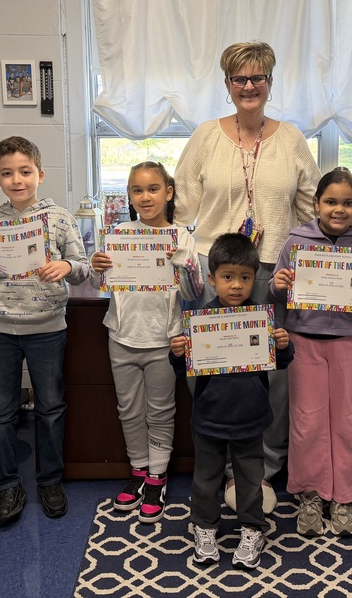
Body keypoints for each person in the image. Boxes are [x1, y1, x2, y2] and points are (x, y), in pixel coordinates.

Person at [174, 40, 320, 512]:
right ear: (227, 85)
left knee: (269, 377)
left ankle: (258, 475)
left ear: (270, 83)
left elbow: (310, 209)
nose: (249, 86)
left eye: (258, 77)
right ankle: (215, 469)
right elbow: (180, 208)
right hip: (214, 272)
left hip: (270, 274)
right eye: (240, 78)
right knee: (209, 372)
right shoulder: (205, 137)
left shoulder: (292, 139)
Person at [0, 135, 90, 528]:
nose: (16, 180)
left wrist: (66, 269)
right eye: (7, 173)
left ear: (40, 174)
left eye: (24, 171)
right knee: (0, 414)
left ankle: (50, 480)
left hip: (47, 327)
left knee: (50, 408)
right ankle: (7, 484)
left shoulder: (60, 218)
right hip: (0, 328)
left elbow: (82, 265)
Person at [269, 168, 352, 538]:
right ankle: (310, 494)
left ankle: (344, 497)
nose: (339, 209)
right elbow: (277, 296)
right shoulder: (295, 241)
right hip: (303, 340)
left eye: (348, 203)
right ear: (317, 204)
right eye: (331, 202)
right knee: (306, 421)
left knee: (347, 420)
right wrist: (278, 283)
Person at [170, 233, 292, 569]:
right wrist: (178, 355)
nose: (236, 286)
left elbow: (279, 365)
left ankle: (253, 528)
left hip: (251, 418)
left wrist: (283, 347)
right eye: (227, 277)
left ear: (255, 279)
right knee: (206, 479)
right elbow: (185, 371)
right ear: (212, 279)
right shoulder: (200, 321)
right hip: (209, 417)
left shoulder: (261, 318)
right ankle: (205, 526)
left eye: (245, 278)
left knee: (251, 478)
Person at [89, 161, 202, 524]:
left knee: (160, 410)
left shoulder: (183, 236)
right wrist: (97, 268)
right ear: (130, 196)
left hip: (164, 339)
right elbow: (98, 286)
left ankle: (157, 476)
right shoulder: (118, 233)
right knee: (129, 409)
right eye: (137, 190)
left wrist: (183, 264)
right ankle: (138, 471)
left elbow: (194, 291)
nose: (145, 196)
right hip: (122, 335)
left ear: (168, 192)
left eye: (153, 189)